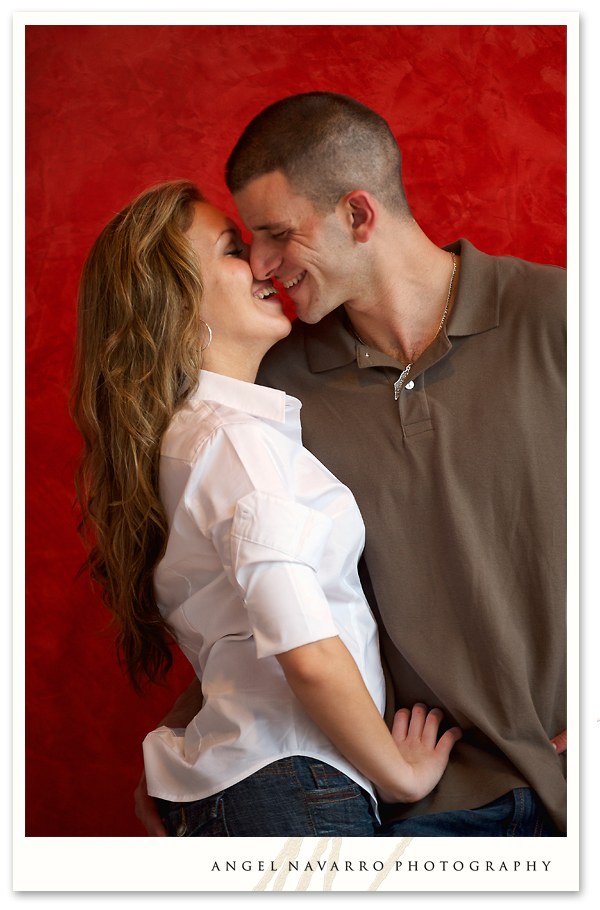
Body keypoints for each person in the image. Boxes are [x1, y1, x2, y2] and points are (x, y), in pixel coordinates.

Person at [135, 92, 567, 838]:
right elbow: (245, 604)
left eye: (275, 235)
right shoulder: (270, 388)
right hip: (426, 804)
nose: (264, 266)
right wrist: (197, 778)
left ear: (359, 216)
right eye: (246, 245)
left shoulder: (563, 317)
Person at [71, 179, 462, 837]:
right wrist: (400, 775)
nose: (260, 263)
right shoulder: (238, 443)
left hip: (255, 786)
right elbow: (305, 650)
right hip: (294, 787)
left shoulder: (194, 438)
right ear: (179, 307)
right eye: (231, 248)